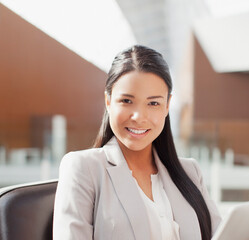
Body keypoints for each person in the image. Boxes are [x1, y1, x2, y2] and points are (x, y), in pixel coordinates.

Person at [53, 45, 221, 240]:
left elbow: (222, 235)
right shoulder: (84, 168)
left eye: (153, 103)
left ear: (167, 106)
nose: (139, 117)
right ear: (108, 101)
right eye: (126, 101)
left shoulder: (190, 172)